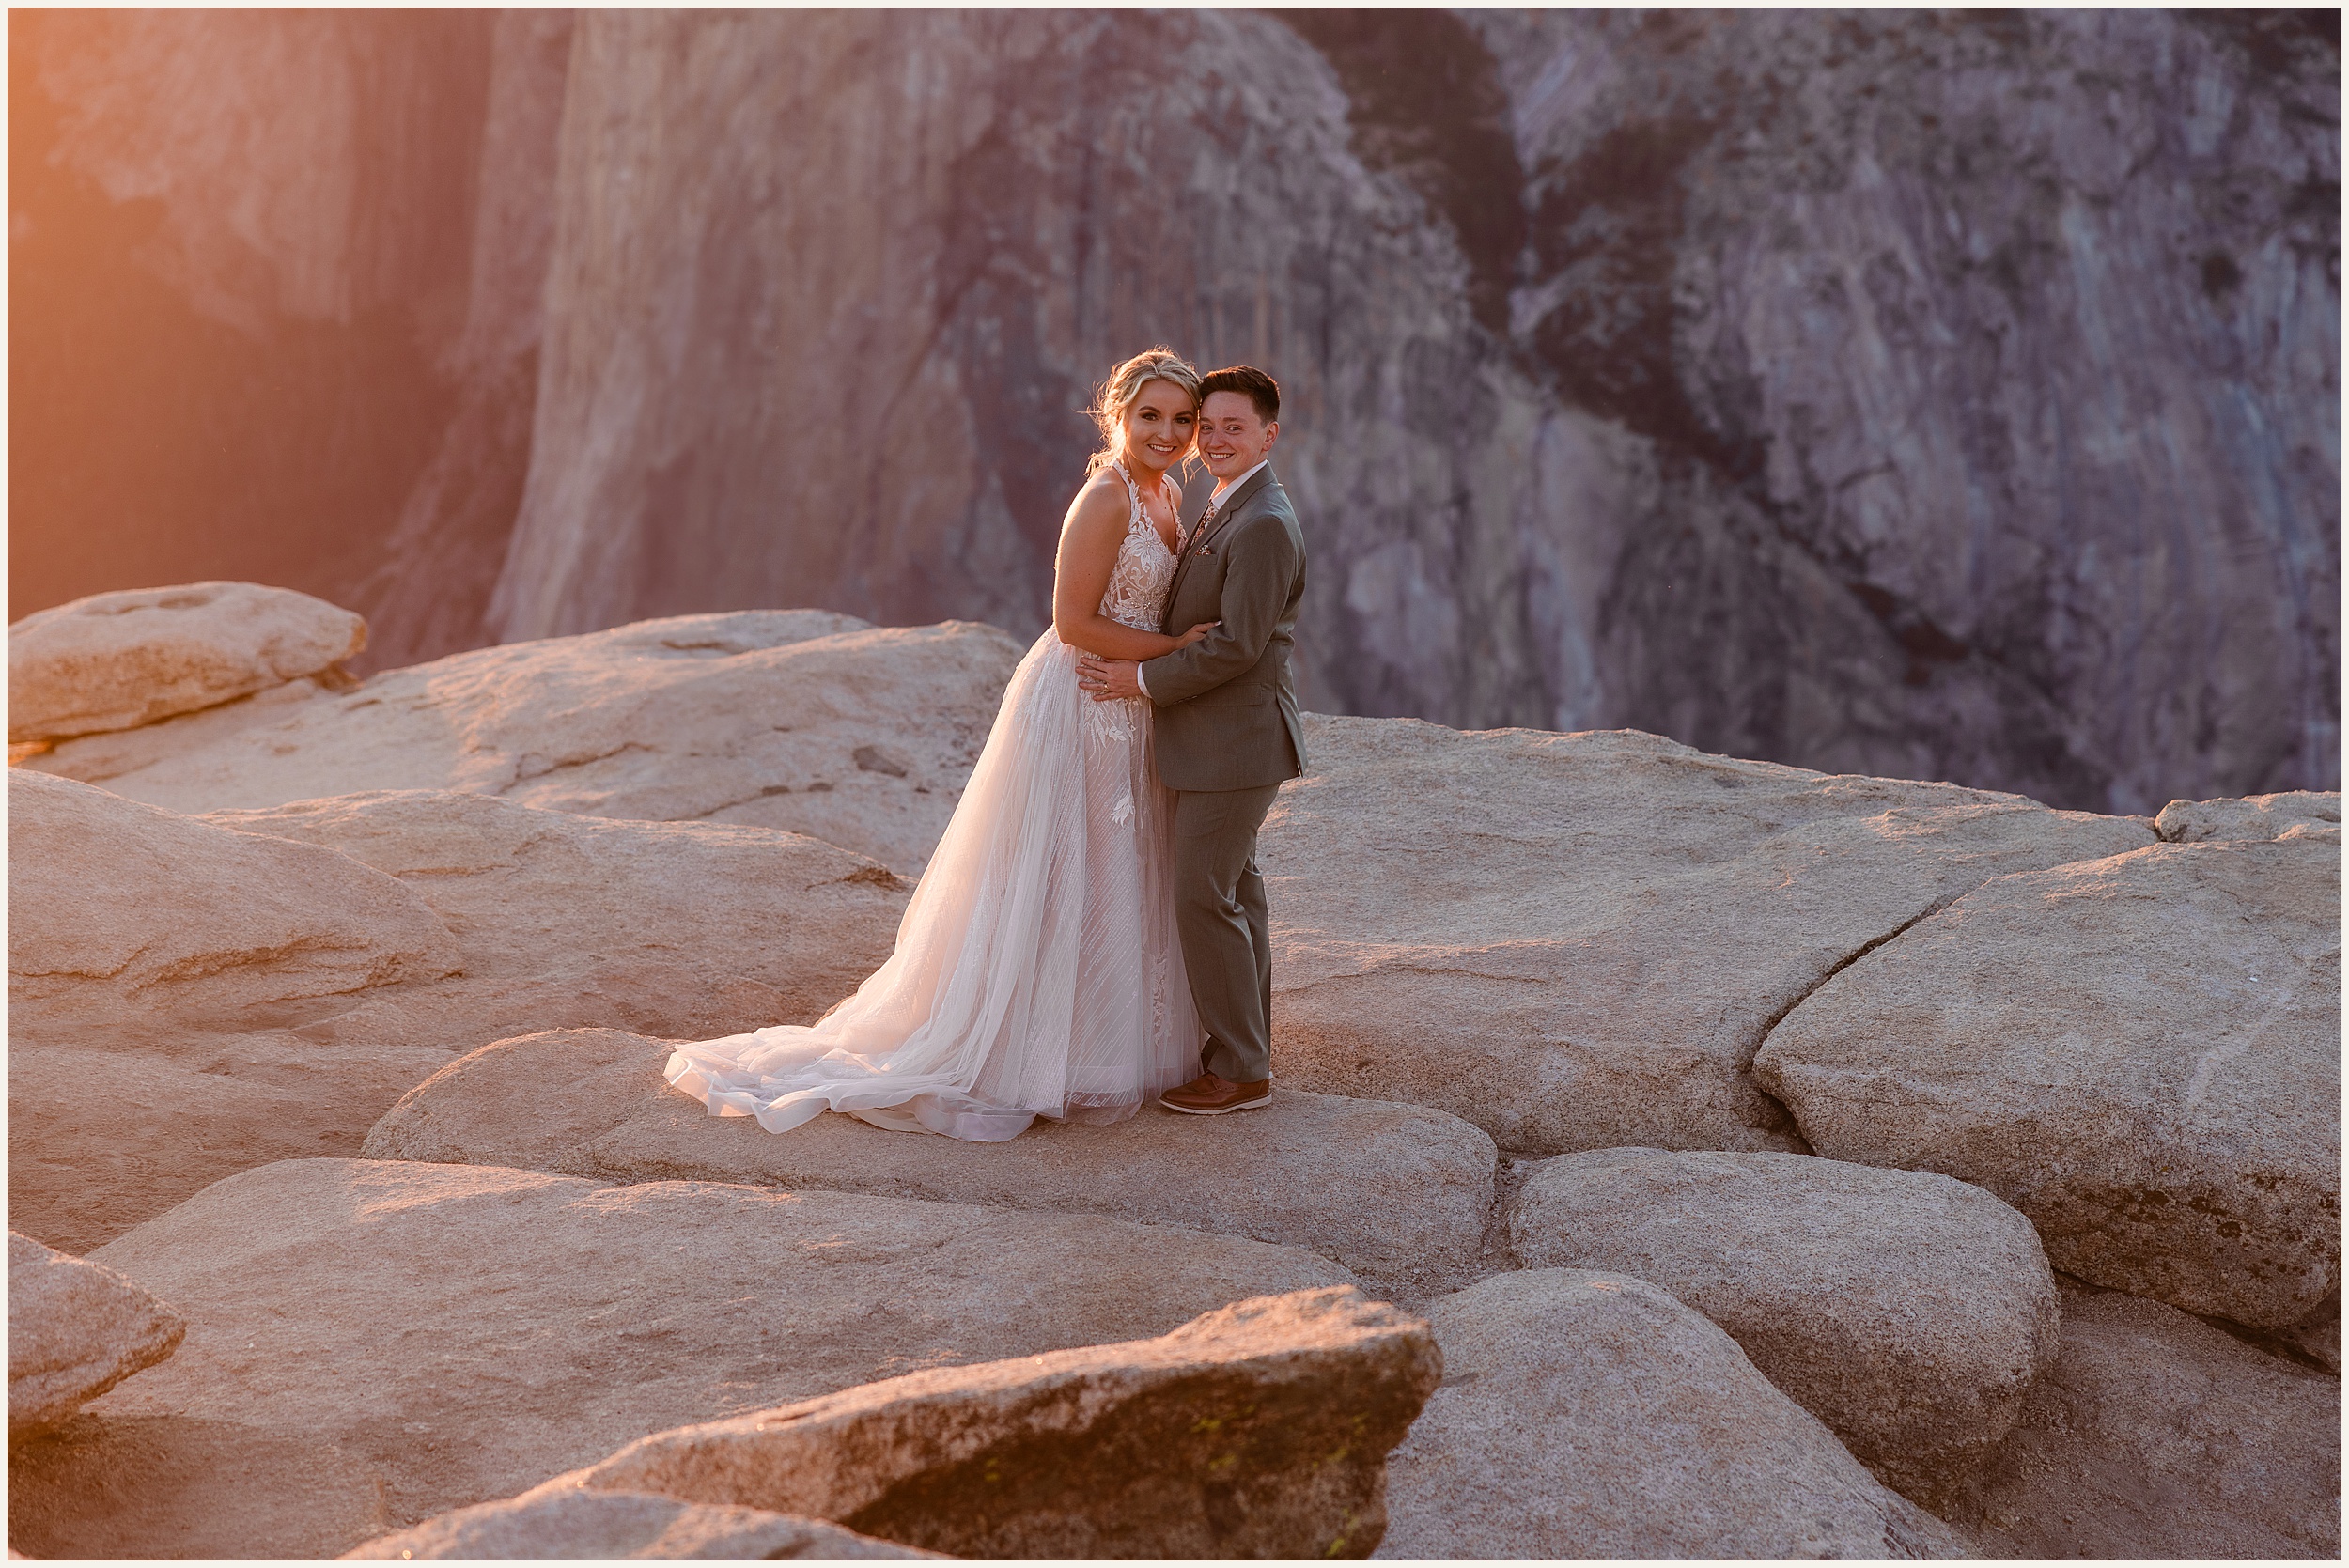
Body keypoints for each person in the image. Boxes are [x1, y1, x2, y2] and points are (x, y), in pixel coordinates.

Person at [661, 348, 1217, 1140]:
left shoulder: (1166, 494)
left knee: (1118, 866)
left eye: (1181, 420)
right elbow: (1074, 622)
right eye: (1149, 416)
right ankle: (1034, 1048)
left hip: (1127, 700)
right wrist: (1180, 653)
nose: (1165, 432)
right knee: (1068, 865)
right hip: (1085, 695)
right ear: (1117, 417)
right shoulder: (1105, 498)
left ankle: (1102, 1040)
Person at [1077, 365, 1306, 1115]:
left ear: (1269, 434)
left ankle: (1240, 1070)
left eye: (1227, 427)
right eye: (1205, 426)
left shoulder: (1265, 520)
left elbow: (1238, 645)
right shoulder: (1215, 499)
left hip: (1233, 741)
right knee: (1235, 892)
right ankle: (1247, 1052)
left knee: (1203, 894)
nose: (1206, 439)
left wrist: (1143, 680)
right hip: (1214, 738)